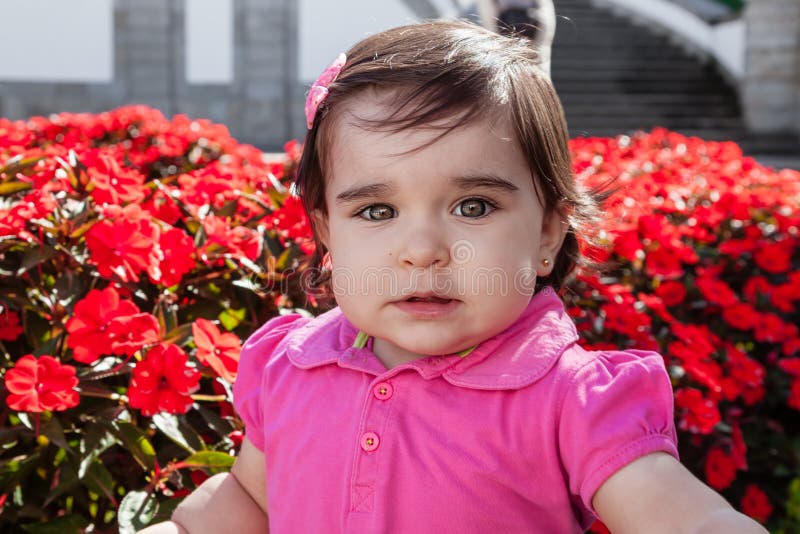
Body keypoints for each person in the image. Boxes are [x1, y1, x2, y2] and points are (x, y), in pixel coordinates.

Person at [140, 20, 766, 533]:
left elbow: (682, 515)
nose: (423, 251)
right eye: (376, 211)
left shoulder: (569, 401)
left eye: (474, 207)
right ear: (327, 231)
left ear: (547, 232)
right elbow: (251, 500)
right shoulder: (292, 366)